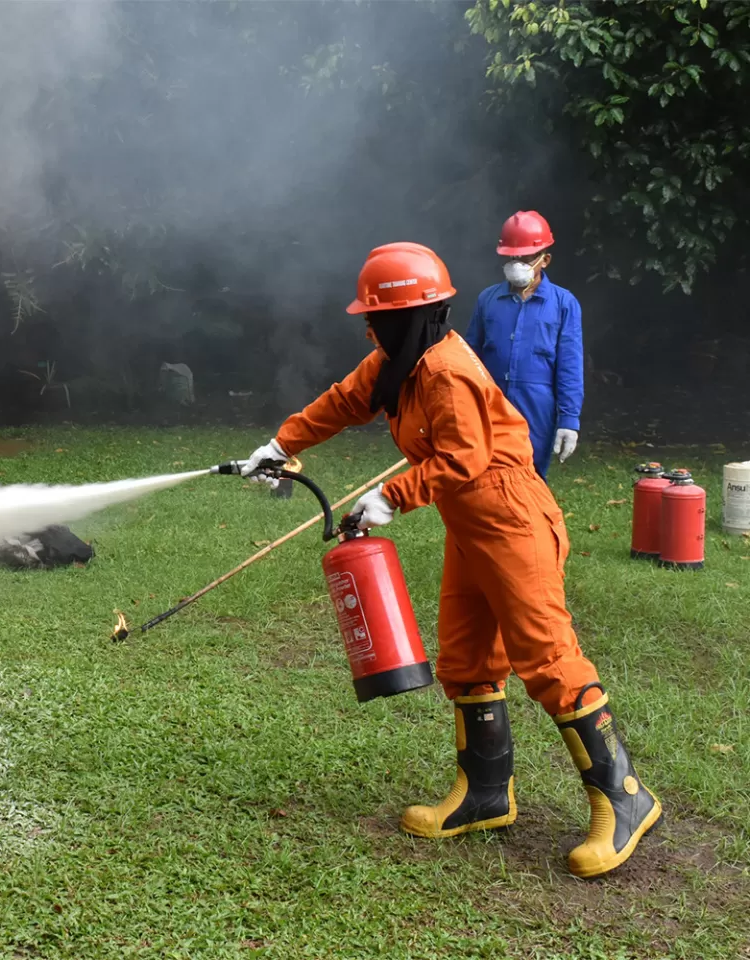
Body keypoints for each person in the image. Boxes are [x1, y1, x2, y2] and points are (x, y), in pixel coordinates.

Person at [242, 242, 659, 879]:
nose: (368, 324)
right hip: (470, 524)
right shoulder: (397, 362)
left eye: (377, 314)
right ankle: (486, 796)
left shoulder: (445, 370)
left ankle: (626, 798)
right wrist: (279, 444)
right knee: (466, 660)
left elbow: (463, 458)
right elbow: (343, 401)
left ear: (415, 314)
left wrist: (390, 495)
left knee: (546, 657)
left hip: (512, 518)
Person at [464, 211, 583, 479]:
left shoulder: (564, 304)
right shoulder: (488, 300)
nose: (517, 263)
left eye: (526, 257)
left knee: (531, 476)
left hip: (537, 406)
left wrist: (569, 420)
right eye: (512, 257)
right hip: (492, 402)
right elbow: (469, 357)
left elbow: (570, 367)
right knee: (487, 476)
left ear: (545, 260)